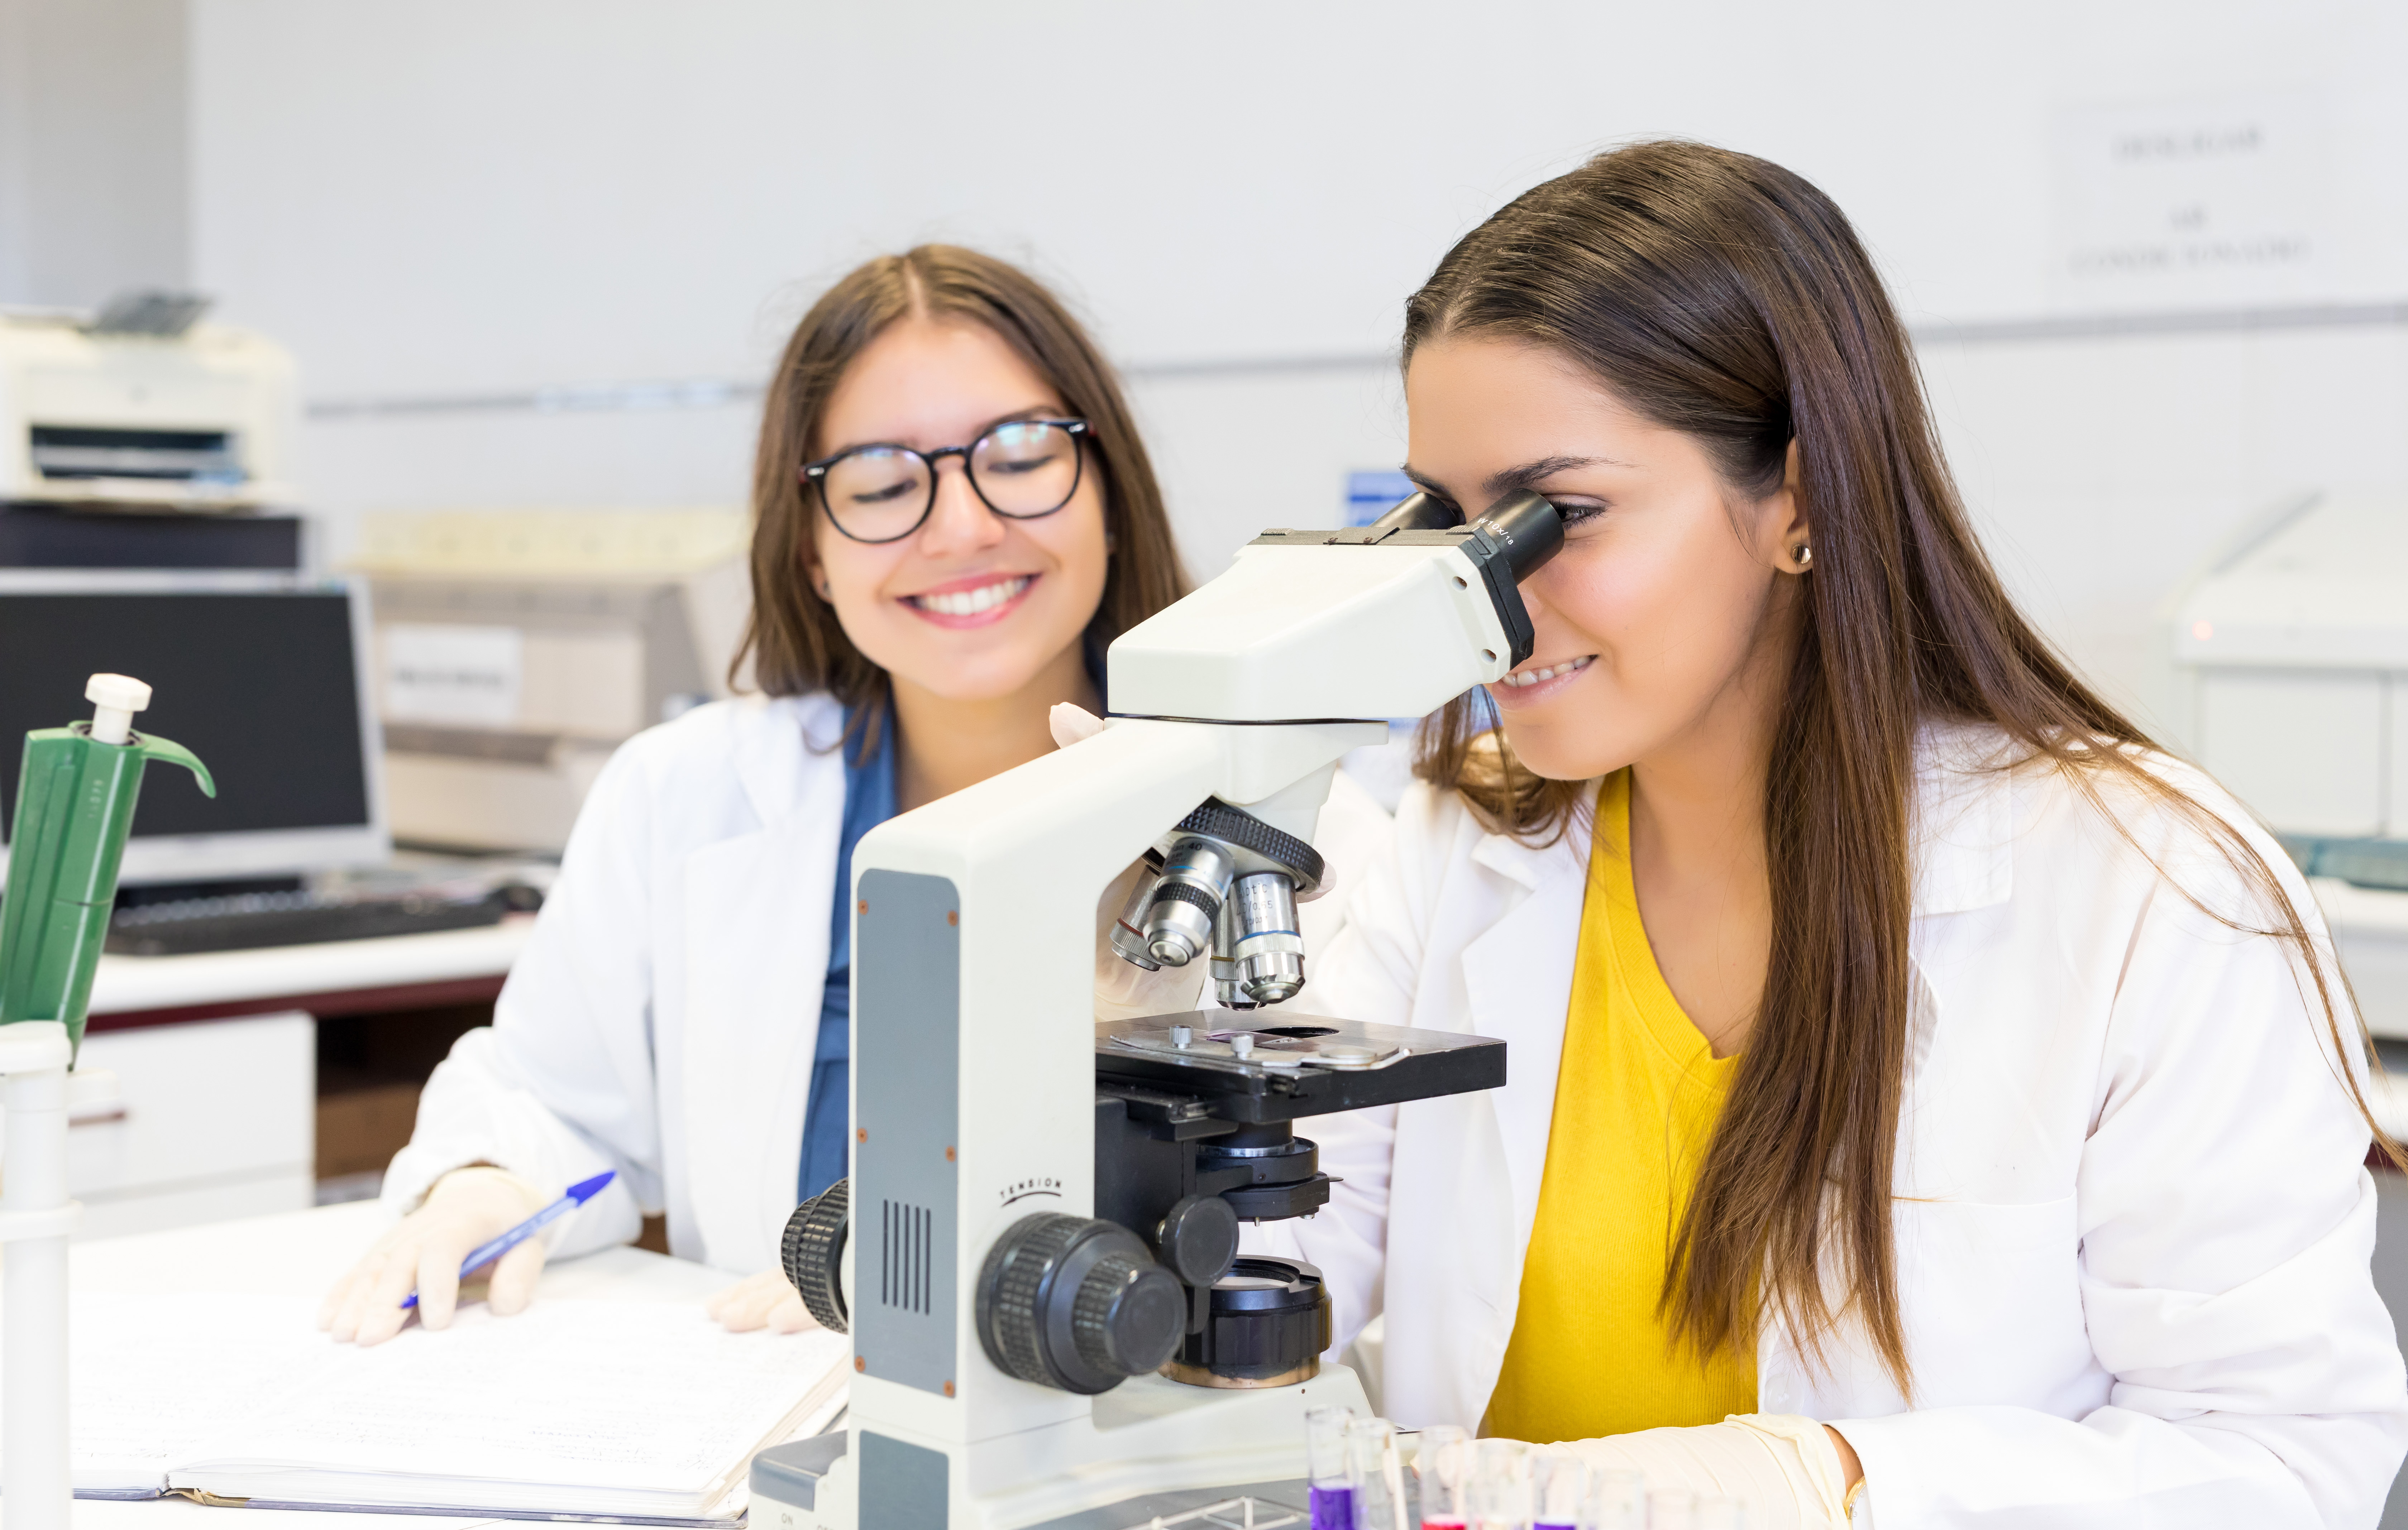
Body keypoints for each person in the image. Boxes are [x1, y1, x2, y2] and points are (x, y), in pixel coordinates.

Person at [1260, 143, 2408, 1527]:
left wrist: (1827, 1482)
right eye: (1450, 525)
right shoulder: (1460, 839)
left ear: (1799, 499)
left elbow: (2281, 1465)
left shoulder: (2148, 890)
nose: (1485, 603)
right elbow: (1280, 1282)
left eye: (1558, 517)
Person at [319, 245, 1391, 1348]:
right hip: (752, 1412)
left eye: (1023, 457)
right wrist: (488, 1181)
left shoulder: (1276, 828)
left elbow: (1316, 1240)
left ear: (1110, 495)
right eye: (882, 485)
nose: (961, 526)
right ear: (813, 554)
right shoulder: (685, 792)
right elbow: (551, 1099)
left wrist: (963, 1272)